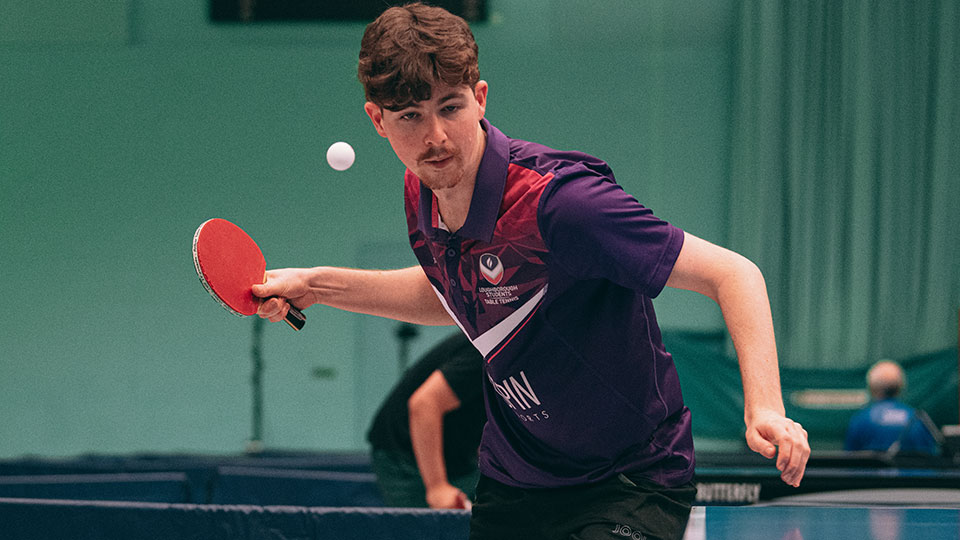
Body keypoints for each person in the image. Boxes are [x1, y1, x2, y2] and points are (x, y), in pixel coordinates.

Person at [253, 4, 810, 539]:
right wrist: (316, 286)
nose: (436, 138)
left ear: (480, 98)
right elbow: (450, 294)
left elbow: (734, 274)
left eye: (450, 107)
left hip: (628, 477)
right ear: (377, 120)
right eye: (410, 118)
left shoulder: (561, 204)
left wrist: (765, 407)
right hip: (516, 478)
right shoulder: (422, 190)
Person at [367, 331, 484, 508]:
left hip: (459, 456)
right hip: (405, 453)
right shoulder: (487, 349)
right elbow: (424, 404)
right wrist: (437, 487)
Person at [845, 360, 939, 455]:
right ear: (901, 387)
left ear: (872, 387)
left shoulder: (860, 420)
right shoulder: (918, 420)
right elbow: (930, 460)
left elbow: (850, 462)